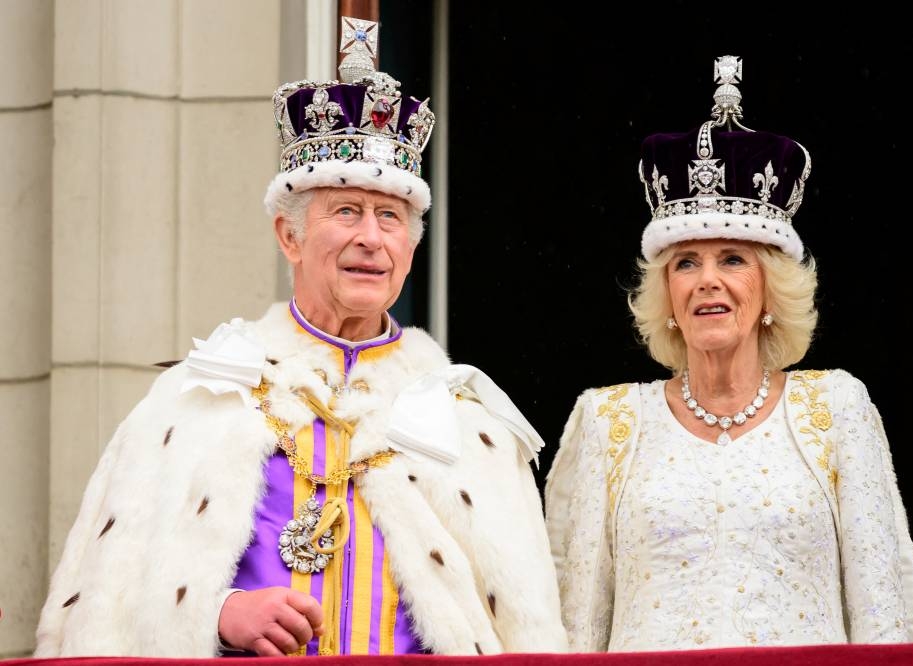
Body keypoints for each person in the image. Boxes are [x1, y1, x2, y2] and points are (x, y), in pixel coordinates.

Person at [35, 17, 567, 658]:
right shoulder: (198, 398)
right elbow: (108, 601)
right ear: (290, 236)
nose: (370, 237)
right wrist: (218, 613)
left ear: (410, 246)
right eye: (346, 211)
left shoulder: (465, 420)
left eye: (390, 217)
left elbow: (520, 626)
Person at [544, 55, 913, 651]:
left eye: (732, 259)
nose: (707, 280)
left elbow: (885, 612)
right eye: (685, 263)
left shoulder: (836, 407)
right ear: (667, 294)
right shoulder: (609, 422)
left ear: (770, 288)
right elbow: (576, 624)